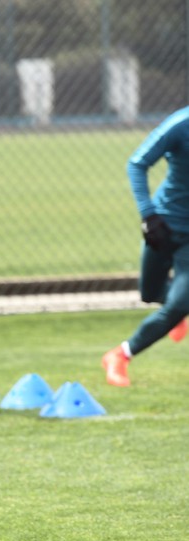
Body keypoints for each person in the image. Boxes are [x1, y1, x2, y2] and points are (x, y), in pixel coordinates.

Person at [102, 107, 189, 387]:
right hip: (162, 227)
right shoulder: (181, 124)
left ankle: (120, 355)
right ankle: (176, 313)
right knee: (150, 293)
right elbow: (137, 163)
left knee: (180, 304)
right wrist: (148, 215)